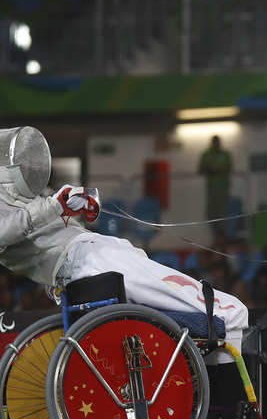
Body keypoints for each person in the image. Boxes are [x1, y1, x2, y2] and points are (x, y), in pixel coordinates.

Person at [0, 127, 248, 365]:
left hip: (99, 253)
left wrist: (69, 206)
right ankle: (234, 398)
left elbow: (40, 219)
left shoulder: (19, 197)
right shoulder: (9, 206)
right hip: (89, 262)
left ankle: (215, 392)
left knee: (211, 318)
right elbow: (10, 229)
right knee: (232, 313)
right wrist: (54, 205)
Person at [197, 135, 234, 226]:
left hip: (223, 186)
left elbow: (228, 168)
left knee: (223, 209)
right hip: (211, 186)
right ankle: (215, 230)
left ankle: (222, 231)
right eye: (214, 142)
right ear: (211, 143)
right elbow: (201, 169)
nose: (216, 144)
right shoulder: (206, 154)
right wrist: (213, 170)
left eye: (217, 142)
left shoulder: (225, 154)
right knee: (212, 210)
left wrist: (214, 169)